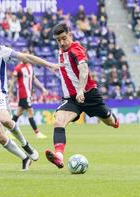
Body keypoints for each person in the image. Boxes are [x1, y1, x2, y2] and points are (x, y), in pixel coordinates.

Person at [0, 20, 59, 170]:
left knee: (6, 119)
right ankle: (25, 158)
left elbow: (25, 57)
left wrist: (48, 64)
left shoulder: (1, 51)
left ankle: (27, 146)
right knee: (0, 138)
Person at [44, 23, 119, 169]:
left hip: (89, 95)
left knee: (109, 121)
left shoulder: (76, 49)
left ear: (70, 35)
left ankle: (114, 119)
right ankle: (58, 157)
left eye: (64, 38)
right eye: (58, 40)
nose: (62, 43)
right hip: (71, 100)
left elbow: (84, 70)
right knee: (59, 122)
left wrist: (80, 90)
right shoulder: (60, 52)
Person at [10, 52, 48, 139]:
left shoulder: (30, 66)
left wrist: (42, 88)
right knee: (30, 112)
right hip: (23, 94)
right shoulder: (18, 68)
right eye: (23, 56)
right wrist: (11, 92)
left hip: (28, 94)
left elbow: (34, 79)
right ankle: (37, 133)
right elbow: (13, 81)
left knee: (18, 112)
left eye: (26, 56)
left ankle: (8, 131)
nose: (25, 58)